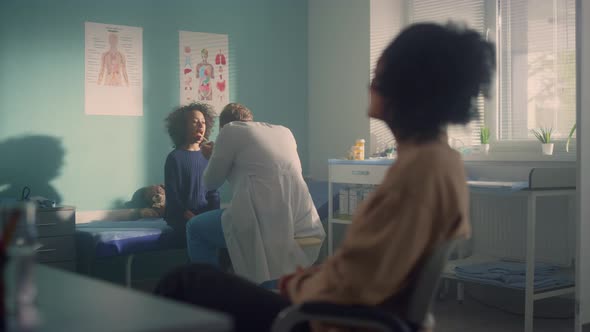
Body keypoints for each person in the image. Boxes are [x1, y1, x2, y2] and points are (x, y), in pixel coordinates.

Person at [155, 22, 495, 332]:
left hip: (325, 319)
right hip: (341, 305)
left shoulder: (418, 174)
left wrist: (295, 285)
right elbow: (368, 267)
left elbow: (356, 283)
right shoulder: (439, 161)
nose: (371, 84)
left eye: (380, 75)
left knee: (184, 282)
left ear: (409, 87)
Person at [184, 102, 325, 284]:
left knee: (195, 228)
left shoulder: (230, 131)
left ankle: (210, 293)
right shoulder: (284, 132)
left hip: (261, 220)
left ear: (223, 126)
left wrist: (212, 157)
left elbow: (210, 183)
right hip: (301, 221)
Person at [164, 103, 220, 245]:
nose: (201, 126)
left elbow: (213, 192)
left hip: (204, 217)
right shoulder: (174, 158)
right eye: (195, 122)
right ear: (182, 127)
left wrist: (212, 216)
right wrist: (190, 217)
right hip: (182, 219)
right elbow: (173, 196)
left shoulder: (208, 156)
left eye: (203, 122)